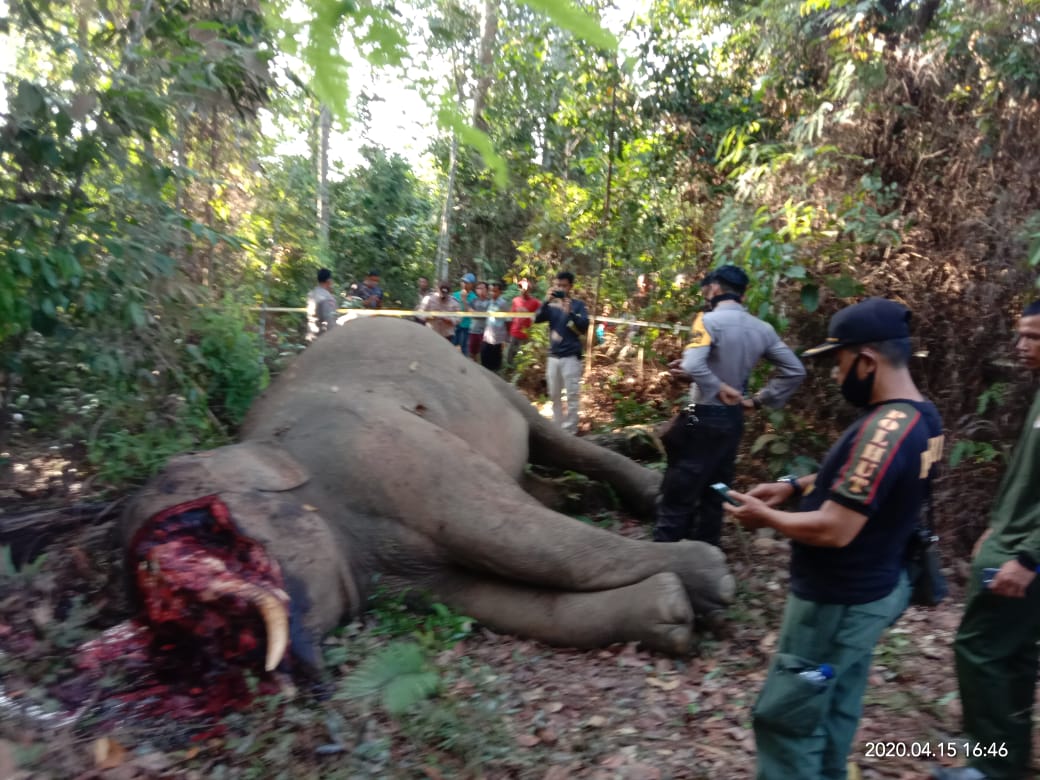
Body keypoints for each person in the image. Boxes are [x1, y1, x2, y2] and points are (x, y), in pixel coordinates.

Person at [724, 297, 944, 780]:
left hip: (833, 606)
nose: (834, 375)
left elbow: (835, 526)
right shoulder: (923, 418)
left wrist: (766, 519)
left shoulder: (886, 429)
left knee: (789, 715)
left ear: (867, 361)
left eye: (839, 363)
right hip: (870, 592)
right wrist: (792, 487)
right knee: (834, 703)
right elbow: (865, 486)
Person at [933, 300, 1040, 780]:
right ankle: (1005, 758)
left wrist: (1028, 557)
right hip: (1011, 539)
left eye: (1034, 336)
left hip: (1025, 554)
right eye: (1021, 335)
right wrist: (997, 525)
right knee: (1013, 655)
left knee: (979, 650)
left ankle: (990, 766)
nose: (1021, 346)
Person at [653, 265, 805, 546]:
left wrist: (715, 386)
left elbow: (696, 363)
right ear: (742, 296)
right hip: (732, 419)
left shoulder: (707, 321)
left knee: (679, 488)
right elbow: (795, 371)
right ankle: (708, 554)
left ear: (714, 289)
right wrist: (758, 400)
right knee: (716, 488)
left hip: (701, 415)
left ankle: (664, 559)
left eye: (706, 290)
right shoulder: (763, 329)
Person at [534, 271, 589, 433]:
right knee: (554, 395)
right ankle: (557, 430)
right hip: (553, 356)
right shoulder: (551, 306)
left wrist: (570, 312)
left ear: (570, 287)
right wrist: (545, 301)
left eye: (564, 285)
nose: (560, 288)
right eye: (558, 285)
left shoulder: (578, 305)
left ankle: (571, 430)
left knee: (572, 395)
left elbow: (584, 326)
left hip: (571, 357)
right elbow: (536, 318)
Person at [507, 278, 541, 367]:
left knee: (523, 360)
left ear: (529, 289)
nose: (522, 289)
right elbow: (511, 316)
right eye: (520, 287)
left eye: (524, 287)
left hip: (526, 335)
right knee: (510, 358)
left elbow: (542, 313)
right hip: (514, 333)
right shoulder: (515, 300)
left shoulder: (535, 302)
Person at [481, 280, 510, 372]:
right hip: (487, 336)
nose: (492, 293)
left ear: (500, 292)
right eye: (491, 291)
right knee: (485, 359)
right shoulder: (489, 303)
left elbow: (508, 320)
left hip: (498, 338)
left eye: (495, 291)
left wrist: (506, 338)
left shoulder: (503, 304)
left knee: (495, 362)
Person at [306, 268, 339, 342]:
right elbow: (330, 320)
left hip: (311, 334)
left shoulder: (311, 294)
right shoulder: (327, 298)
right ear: (329, 281)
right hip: (322, 337)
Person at [453, 273, 477, 356]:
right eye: (463, 282)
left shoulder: (474, 298)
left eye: (466, 282)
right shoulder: (455, 295)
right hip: (455, 325)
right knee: (452, 347)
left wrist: (464, 299)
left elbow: (472, 313)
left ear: (471, 285)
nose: (464, 284)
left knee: (464, 350)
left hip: (467, 326)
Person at [468, 281, 490, 361]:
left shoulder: (490, 302)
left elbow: (488, 314)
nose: (480, 290)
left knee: (485, 352)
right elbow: (470, 311)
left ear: (487, 290)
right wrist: (480, 314)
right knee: (472, 352)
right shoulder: (474, 301)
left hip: (486, 332)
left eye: (482, 288)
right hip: (474, 330)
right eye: (478, 288)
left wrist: (476, 314)